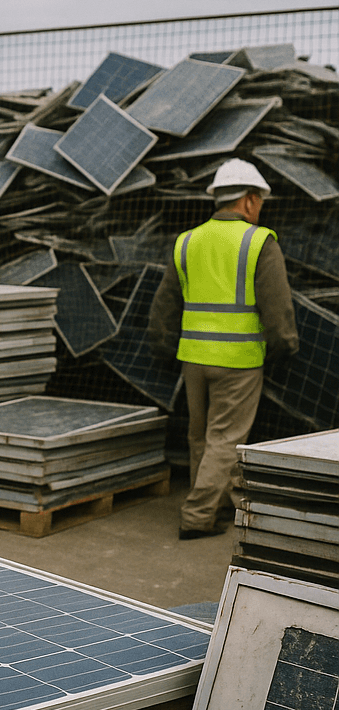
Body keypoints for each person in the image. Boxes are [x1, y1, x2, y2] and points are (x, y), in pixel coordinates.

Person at [148, 157, 298, 540]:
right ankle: (198, 516)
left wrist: (164, 350)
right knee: (225, 441)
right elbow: (278, 309)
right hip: (239, 359)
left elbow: (164, 305)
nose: (260, 207)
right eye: (260, 200)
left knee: (201, 438)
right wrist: (283, 348)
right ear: (248, 200)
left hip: (193, 359)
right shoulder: (259, 242)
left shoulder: (187, 241)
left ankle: (216, 507)